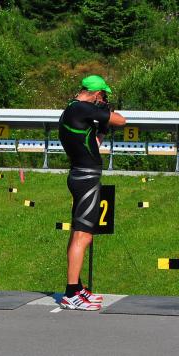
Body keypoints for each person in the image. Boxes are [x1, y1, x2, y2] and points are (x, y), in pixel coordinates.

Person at [58, 75, 126, 310]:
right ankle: (70, 294)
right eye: (103, 97)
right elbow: (122, 120)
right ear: (97, 94)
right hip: (85, 177)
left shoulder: (74, 110)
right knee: (83, 235)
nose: (104, 101)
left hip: (83, 175)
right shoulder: (81, 108)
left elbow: (94, 144)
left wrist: (103, 127)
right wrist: (107, 113)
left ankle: (76, 288)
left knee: (79, 232)